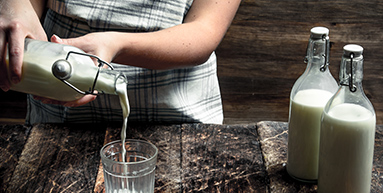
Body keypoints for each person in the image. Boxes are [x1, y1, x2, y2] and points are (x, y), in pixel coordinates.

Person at [0, 0, 241, 124]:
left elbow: (205, 32)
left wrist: (115, 45)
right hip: (58, 109)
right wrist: (16, 13)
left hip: (177, 118)